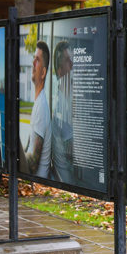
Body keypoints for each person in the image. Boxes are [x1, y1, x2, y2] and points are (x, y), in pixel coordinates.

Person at [20, 41, 52, 178]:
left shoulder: (41, 107)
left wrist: (13, 153)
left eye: (37, 60)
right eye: (33, 58)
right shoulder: (38, 102)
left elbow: (32, 164)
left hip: (37, 186)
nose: (33, 63)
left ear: (43, 72)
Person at [50, 40, 75, 182]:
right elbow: (75, 148)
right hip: (68, 180)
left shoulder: (66, 98)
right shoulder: (60, 106)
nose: (72, 64)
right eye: (67, 60)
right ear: (59, 71)